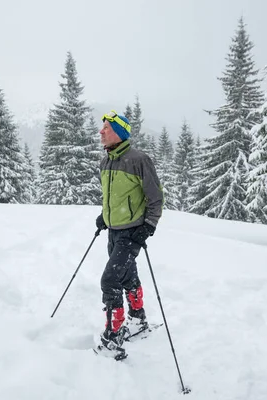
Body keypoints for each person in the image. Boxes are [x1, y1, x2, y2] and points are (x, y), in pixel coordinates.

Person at [95, 110, 164, 350]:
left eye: (107, 127)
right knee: (127, 275)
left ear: (120, 133)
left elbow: (155, 198)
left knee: (110, 280)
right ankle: (138, 318)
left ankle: (113, 337)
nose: (101, 131)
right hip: (113, 231)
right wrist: (104, 216)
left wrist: (148, 226)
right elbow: (113, 196)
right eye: (102, 127)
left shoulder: (139, 160)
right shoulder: (105, 161)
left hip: (132, 233)